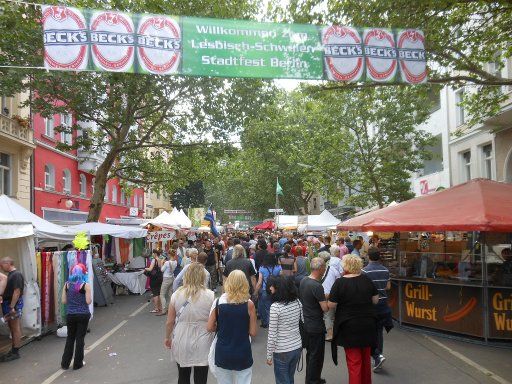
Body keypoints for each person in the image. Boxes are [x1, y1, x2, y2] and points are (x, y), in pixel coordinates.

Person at [328, 255, 379, 384]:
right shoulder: (366, 280)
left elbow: (331, 305)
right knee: (366, 360)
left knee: (354, 362)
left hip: (349, 326)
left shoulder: (340, 283)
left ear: (345, 266)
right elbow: (375, 300)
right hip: (368, 324)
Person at [165, 263, 214, 384]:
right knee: (201, 377)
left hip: (181, 337)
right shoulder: (210, 295)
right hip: (203, 337)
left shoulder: (176, 295)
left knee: (183, 375)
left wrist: (167, 337)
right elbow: (214, 321)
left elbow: (170, 321)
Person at [207, 270, 257, 384]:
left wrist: (220, 327)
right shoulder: (249, 304)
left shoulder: (218, 302)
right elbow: (253, 332)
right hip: (243, 350)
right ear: (245, 283)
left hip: (223, 350)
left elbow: (209, 327)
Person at [266, 276, 303, 384]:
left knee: (282, 380)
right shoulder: (297, 302)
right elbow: (303, 321)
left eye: (273, 286)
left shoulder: (275, 307)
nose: (270, 288)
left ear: (279, 289)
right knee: (290, 378)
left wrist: (269, 355)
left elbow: (272, 334)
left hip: (282, 350)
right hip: (296, 346)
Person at [299, 257, 329, 384]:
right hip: (316, 325)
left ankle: (313, 378)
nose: (324, 270)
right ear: (320, 268)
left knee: (311, 354)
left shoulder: (304, 280)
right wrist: (332, 303)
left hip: (306, 322)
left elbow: (311, 297)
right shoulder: (317, 286)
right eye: (324, 268)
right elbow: (325, 308)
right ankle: (312, 380)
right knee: (316, 355)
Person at [362, 248, 393, 371]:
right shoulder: (385, 270)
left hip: (370, 305)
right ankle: (378, 355)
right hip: (383, 304)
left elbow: (364, 290)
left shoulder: (364, 271)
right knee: (379, 331)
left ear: (369, 257)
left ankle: (376, 356)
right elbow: (388, 286)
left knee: (369, 332)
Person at [61, 263, 92, 370]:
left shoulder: (67, 285)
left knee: (70, 338)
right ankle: (78, 363)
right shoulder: (85, 285)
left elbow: (64, 301)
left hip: (70, 314)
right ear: (83, 272)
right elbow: (88, 301)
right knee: (80, 339)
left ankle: (65, 363)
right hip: (83, 314)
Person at [0, 257, 24, 362]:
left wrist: (12, 306)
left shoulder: (16, 274)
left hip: (13, 304)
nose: (1, 267)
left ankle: (15, 351)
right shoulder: (11, 275)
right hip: (10, 304)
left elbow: (17, 291)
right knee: (12, 327)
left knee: (15, 327)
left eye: (1, 264)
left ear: (8, 263)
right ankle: (14, 349)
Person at [318, 251, 341, 342]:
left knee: (325, 315)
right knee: (329, 315)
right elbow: (339, 279)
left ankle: (329, 334)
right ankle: (331, 333)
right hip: (332, 294)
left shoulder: (318, 269)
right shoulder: (333, 269)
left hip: (321, 294)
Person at [255, 253, 282, 328]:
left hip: (265, 290)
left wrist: (255, 292)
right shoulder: (278, 267)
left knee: (266, 308)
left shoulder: (262, 268)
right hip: (276, 290)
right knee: (276, 307)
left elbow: (259, 282)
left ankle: (266, 323)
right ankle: (276, 323)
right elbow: (281, 279)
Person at [146, 249, 164, 314]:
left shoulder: (154, 260)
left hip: (154, 278)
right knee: (159, 293)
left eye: (153, 253)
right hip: (160, 277)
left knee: (155, 293)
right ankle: (160, 308)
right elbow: (161, 269)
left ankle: (156, 308)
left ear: (155, 254)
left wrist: (145, 268)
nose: (152, 255)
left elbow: (150, 269)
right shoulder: (160, 260)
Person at [160, 249, 178, 315]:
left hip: (166, 278)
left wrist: (162, 263)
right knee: (170, 293)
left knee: (162, 294)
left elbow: (162, 270)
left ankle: (164, 309)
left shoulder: (167, 262)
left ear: (169, 254)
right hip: (172, 277)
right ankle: (172, 308)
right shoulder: (175, 262)